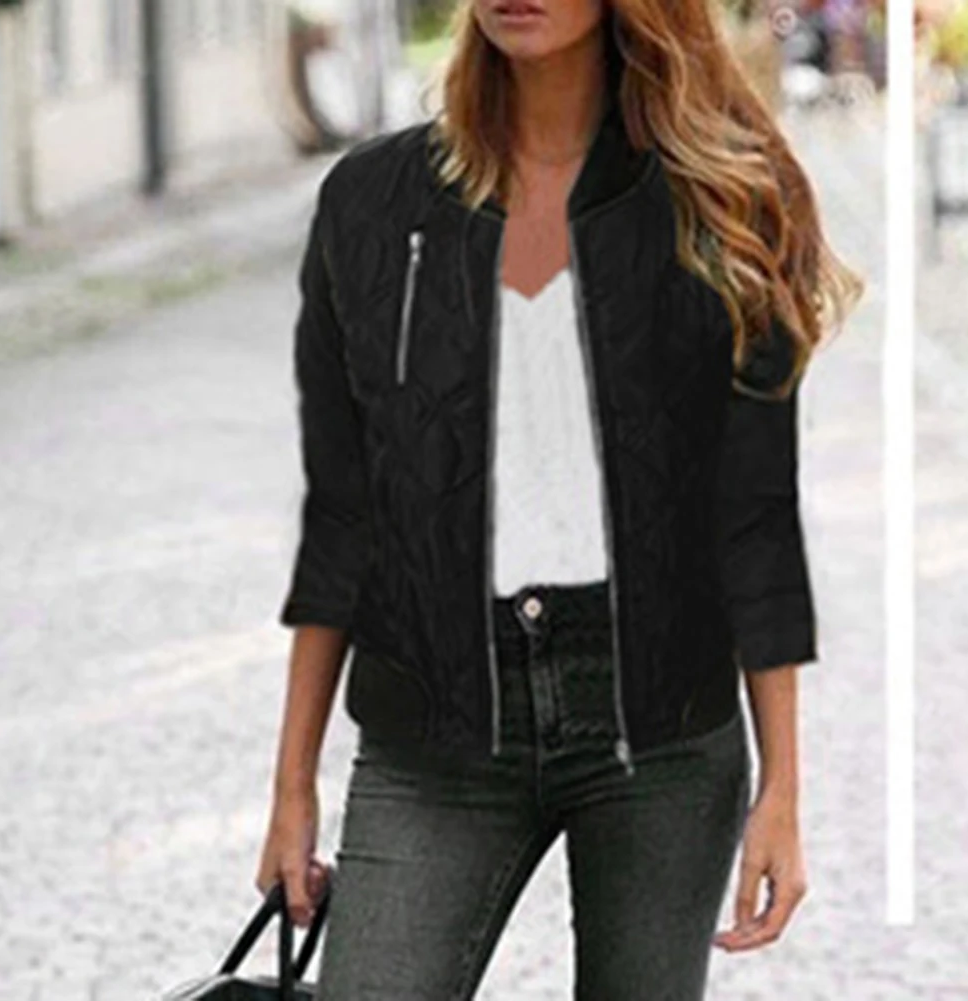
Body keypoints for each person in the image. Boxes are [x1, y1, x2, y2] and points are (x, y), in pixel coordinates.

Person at [255, 1, 864, 998]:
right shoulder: (372, 200)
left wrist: (782, 787)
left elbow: (752, 515)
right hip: (431, 725)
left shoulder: (722, 198)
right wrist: (292, 786)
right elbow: (341, 511)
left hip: (660, 733)